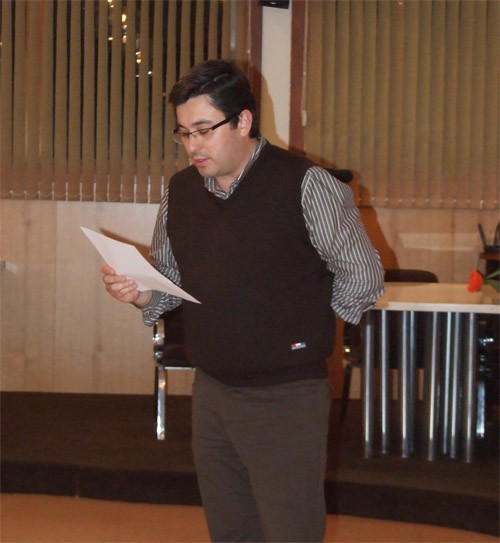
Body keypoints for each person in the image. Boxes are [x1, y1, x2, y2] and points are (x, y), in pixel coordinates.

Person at [102, 59, 384, 543]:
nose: (192, 145)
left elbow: (363, 275)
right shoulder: (181, 190)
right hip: (212, 388)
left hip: (285, 395)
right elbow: (170, 274)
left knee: (290, 530)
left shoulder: (306, 183)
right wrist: (140, 291)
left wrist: (303, 328)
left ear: (243, 121)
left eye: (203, 130)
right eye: (183, 132)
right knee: (230, 529)